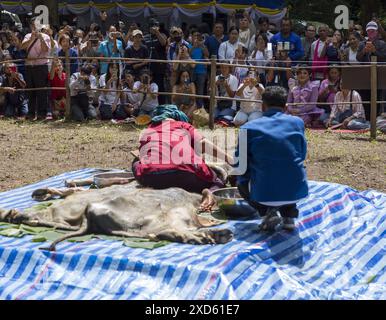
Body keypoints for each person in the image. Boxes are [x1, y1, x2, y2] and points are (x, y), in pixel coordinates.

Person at [236, 86, 309, 231]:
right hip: (296, 191)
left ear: (263, 106)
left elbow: (240, 164)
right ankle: (289, 214)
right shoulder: (298, 123)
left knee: (240, 179)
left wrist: (242, 180)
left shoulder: (247, 128)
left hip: (264, 194)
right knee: (288, 168)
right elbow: (301, 153)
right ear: (286, 106)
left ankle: (265, 212)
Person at [132, 104, 232, 209]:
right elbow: (202, 143)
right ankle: (210, 192)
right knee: (217, 181)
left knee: (136, 162)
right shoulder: (182, 125)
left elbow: (143, 155)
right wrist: (229, 158)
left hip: (152, 177)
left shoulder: (148, 130)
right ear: (177, 116)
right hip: (186, 174)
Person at [21, 16, 51, 120]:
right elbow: (22, 46)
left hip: (41, 66)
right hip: (29, 66)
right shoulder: (27, 35)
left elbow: (46, 49)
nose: (34, 27)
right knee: (30, 91)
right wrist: (32, 38)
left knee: (41, 91)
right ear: (30, 26)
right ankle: (31, 113)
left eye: (37, 25)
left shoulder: (46, 37)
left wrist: (41, 38)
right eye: (33, 25)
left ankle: (42, 114)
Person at [144, 18, 167, 105]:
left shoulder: (162, 35)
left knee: (160, 88)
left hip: (159, 67)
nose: (154, 28)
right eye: (153, 26)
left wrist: (157, 33)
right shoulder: (145, 37)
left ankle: (162, 106)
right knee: (148, 87)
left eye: (156, 26)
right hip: (148, 67)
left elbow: (163, 43)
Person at [190, 31, 208, 108]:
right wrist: (194, 46)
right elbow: (188, 55)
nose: (196, 37)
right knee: (192, 91)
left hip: (201, 72)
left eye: (198, 35)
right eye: (195, 35)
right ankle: (192, 107)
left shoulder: (203, 47)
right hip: (192, 72)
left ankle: (200, 109)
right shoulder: (190, 46)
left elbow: (207, 54)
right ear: (192, 37)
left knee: (200, 92)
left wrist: (202, 45)